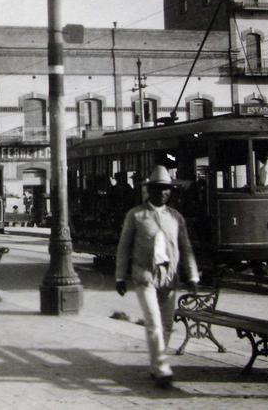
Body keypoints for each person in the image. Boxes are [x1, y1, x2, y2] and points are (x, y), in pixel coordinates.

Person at [115, 165, 199, 389]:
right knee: (153, 322)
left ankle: (155, 364)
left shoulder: (175, 217)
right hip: (145, 275)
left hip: (169, 277)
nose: (164, 193)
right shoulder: (136, 215)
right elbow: (124, 247)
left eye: (167, 189)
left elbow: (186, 247)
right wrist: (120, 277)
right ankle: (162, 368)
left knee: (167, 324)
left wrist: (192, 276)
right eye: (159, 189)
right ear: (149, 190)